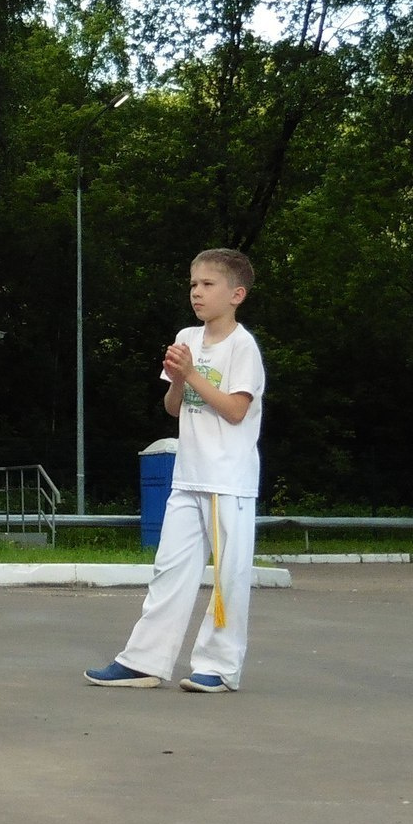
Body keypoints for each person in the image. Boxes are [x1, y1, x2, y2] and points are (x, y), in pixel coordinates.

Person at [86, 249, 266, 694]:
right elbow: (172, 406)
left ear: (236, 294)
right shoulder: (188, 336)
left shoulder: (243, 347)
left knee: (228, 580)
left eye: (208, 284)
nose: (197, 292)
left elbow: (236, 411)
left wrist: (193, 375)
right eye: (193, 284)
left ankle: (220, 667)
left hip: (228, 480)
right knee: (169, 572)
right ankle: (144, 661)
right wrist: (181, 378)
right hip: (187, 477)